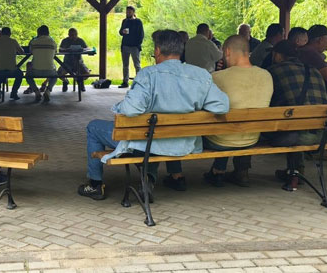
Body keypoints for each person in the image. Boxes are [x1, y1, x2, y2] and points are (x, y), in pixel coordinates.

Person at [77, 30, 230, 200]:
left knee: (94, 127)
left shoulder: (148, 75)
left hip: (147, 142)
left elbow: (130, 109)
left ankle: (95, 184)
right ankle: (148, 179)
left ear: (157, 51)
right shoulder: (200, 75)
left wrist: (119, 106)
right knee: (152, 133)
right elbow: (222, 106)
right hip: (184, 143)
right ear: (181, 50)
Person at [201, 36, 274, 189]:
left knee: (218, 124)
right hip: (252, 138)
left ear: (227, 51)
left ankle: (217, 171)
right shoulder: (266, 76)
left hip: (220, 142)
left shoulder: (217, 77)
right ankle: (231, 171)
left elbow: (205, 106)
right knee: (234, 125)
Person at [265, 40, 327, 182]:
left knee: (283, 125)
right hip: (323, 135)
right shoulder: (314, 70)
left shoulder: (273, 71)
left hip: (294, 136)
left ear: (278, 55)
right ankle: (295, 171)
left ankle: (241, 170)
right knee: (296, 123)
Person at [0, 27, 25, 101]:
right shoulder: (13, 41)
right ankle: (14, 93)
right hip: (12, 70)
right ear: (10, 33)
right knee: (20, 74)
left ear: (1, 33)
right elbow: (22, 52)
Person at [26, 25, 58, 103]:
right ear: (48, 32)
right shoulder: (53, 42)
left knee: (28, 76)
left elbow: (30, 51)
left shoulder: (34, 42)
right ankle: (48, 91)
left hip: (35, 70)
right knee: (55, 76)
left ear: (38, 33)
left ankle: (37, 92)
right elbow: (55, 52)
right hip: (50, 71)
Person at [119, 5, 144, 88]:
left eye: (129, 12)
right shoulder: (124, 21)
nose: (128, 13)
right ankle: (125, 82)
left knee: (137, 65)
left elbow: (141, 34)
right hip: (125, 46)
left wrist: (137, 45)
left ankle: (139, 83)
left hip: (134, 47)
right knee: (125, 65)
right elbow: (120, 32)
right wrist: (122, 32)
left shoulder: (138, 22)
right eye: (127, 12)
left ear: (133, 12)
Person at [59, 28, 89, 93]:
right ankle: (65, 81)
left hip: (79, 62)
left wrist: (82, 49)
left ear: (77, 34)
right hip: (67, 63)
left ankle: (80, 81)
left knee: (87, 73)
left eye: (75, 34)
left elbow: (87, 48)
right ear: (68, 35)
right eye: (71, 35)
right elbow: (60, 49)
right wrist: (67, 49)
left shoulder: (80, 40)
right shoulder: (65, 40)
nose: (73, 36)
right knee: (59, 73)